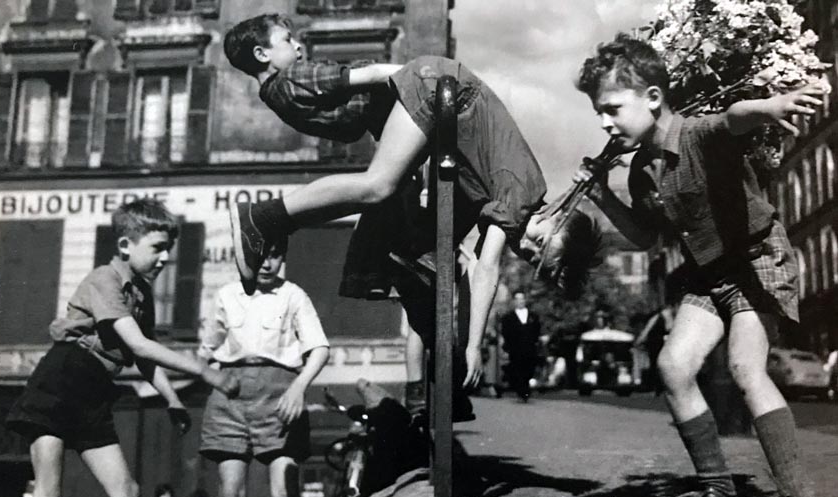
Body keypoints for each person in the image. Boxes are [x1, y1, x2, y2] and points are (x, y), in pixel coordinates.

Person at [221, 13, 599, 397]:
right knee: (379, 185)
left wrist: (460, 344)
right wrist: (472, 347)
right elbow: (487, 269)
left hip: (444, 101)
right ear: (556, 214)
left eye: (534, 259)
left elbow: (470, 275)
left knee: (423, 260)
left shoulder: (506, 199)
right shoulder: (521, 196)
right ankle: (263, 217)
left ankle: (438, 377)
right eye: (541, 244)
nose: (528, 249)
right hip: (441, 90)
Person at [574, 33, 834, 497]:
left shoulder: (695, 134)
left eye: (612, 109)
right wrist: (602, 193)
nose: (604, 122)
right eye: (598, 112)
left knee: (746, 367)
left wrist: (773, 105)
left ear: (652, 97)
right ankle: (720, 495)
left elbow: (733, 117)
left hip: (759, 261)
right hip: (708, 275)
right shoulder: (642, 171)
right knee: (673, 367)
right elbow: (648, 238)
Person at [0, 198, 239, 497]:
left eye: (170, 250)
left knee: (126, 493)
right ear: (126, 244)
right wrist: (204, 371)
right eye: (158, 248)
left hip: (93, 391)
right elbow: (139, 346)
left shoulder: (141, 295)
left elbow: (142, 357)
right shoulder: (104, 279)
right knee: (48, 494)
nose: (166, 259)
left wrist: (173, 400)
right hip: (62, 379)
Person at [198, 238, 331, 497]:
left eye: (275, 255)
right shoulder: (225, 295)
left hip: (280, 392)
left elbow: (319, 348)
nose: (268, 263)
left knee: (282, 495)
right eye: (259, 256)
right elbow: (207, 351)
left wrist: (298, 387)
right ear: (243, 258)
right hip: (231, 394)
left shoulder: (294, 296)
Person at [500, 291, 541, 401]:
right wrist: (508, 347)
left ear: (525, 300)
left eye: (522, 298)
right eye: (518, 299)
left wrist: (535, 342)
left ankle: (525, 388)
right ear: (514, 301)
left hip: (530, 348)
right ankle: (522, 392)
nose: (520, 301)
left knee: (529, 369)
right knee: (517, 370)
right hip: (515, 349)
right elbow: (506, 333)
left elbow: (537, 331)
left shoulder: (533, 316)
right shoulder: (508, 318)